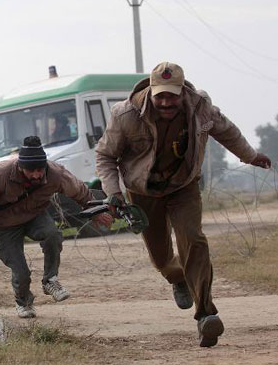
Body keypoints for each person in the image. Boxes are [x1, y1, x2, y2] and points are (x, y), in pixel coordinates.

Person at [95, 61, 272, 347]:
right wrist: (113, 193)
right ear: (151, 91)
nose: (166, 102)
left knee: (194, 240)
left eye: (172, 95)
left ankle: (206, 315)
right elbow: (105, 156)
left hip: (183, 185)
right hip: (143, 191)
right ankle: (178, 278)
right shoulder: (125, 114)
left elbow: (226, 130)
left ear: (182, 92)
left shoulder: (199, 106)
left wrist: (250, 155)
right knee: (162, 258)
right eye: (160, 96)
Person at [0, 136, 113, 318]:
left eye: (39, 170)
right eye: (31, 171)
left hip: (35, 215)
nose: (36, 175)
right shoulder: (0, 175)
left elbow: (80, 191)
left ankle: (50, 280)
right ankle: (23, 302)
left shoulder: (55, 173)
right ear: (20, 167)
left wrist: (95, 212)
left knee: (52, 234)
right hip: (5, 224)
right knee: (21, 272)